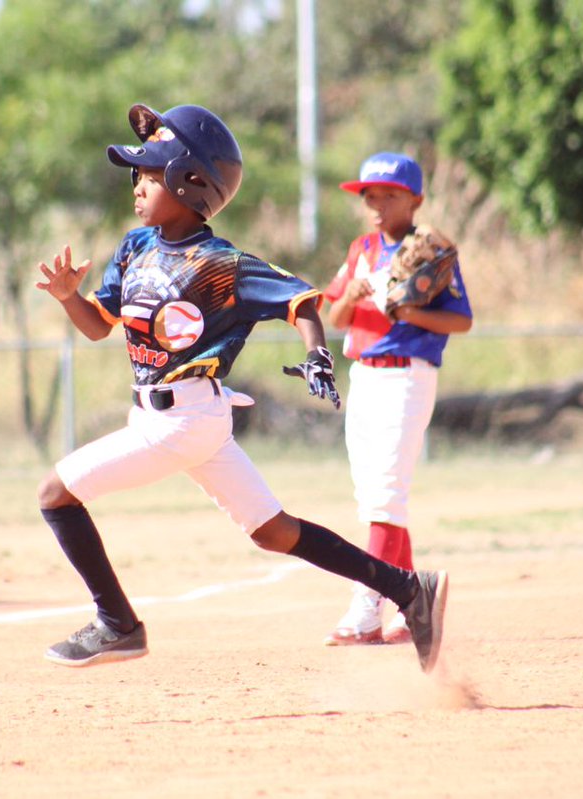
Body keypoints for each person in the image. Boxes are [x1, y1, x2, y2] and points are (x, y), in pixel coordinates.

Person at [33, 104, 449, 673]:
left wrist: (317, 355)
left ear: (192, 183)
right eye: (138, 173)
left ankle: (117, 623)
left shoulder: (221, 262)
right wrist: (68, 298)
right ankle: (408, 590)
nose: (137, 185)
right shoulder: (135, 248)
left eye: (150, 175)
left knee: (55, 494)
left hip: (185, 422)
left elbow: (300, 300)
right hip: (172, 421)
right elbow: (98, 326)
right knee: (275, 532)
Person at [320, 152, 472, 646]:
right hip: (362, 376)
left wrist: (408, 311)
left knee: (386, 494)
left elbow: (461, 319)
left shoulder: (431, 250)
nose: (377, 203)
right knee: (374, 500)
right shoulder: (360, 248)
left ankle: (367, 607)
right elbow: (336, 317)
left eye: (389, 194)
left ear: (415, 200)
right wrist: (354, 294)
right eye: (370, 195)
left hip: (407, 376)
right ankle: (411, 604)